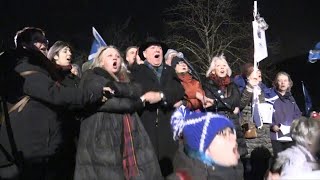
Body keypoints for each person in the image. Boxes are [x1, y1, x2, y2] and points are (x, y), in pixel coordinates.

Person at [0, 27, 105, 180]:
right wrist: (96, 92)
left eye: (45, 40)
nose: (44, 43)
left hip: (39, 152)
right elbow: (57, 94)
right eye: (37, 40)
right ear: (24, 45)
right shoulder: (23, 66)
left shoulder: (38, 67)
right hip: (29, 155)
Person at [74, 46, 162, 180]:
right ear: (101, 62)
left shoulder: (126, 80)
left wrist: (119, 90)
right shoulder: (91, 76)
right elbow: (109, 103)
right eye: (109, 56)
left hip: (129, 137)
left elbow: (136, 90)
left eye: (117, 56)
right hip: (102, 138)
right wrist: (137, 102)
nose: (115, 57)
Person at [131, 37, 185, 176]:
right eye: (153, 48)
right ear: (144, 54)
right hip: (147, 126)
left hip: (168, 127)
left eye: (159, 48)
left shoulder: (169, 71)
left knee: (171, 169)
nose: (157, 50)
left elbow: (179, 91)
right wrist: (167, 96)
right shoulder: (136, 72)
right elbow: (140, 92)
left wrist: (160, 96)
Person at [170, 105, 243, 180]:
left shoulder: (234, 167)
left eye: (231, 132)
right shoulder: (187, 174)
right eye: (222, 133)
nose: (233, 138)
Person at [47, 40, 81, 179]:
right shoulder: (52, 75)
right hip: (61, 131)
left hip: (77, 129)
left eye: (70, 51)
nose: (70, 54)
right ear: (55, 55)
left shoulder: (74, 76)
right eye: (65, 51)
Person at [203, 54, 248, 158]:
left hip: (233, 123)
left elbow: (236, 100)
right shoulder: (208, 85)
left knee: (237, 157)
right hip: (217, 123)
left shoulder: (233, 84)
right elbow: (208, 104)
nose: (222, 67)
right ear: (213, 70)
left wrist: (216, 102)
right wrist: (229, 106)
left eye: (224, 65)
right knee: (221, 157)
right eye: (219, 65)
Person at [270, 72, 302, 157]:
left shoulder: (291, 99)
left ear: (289, 83)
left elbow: (297, 114)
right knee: (277, 164)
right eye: (280, 81)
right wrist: (272, 126)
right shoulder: (271, 97)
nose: (283, 83)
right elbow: (266, 115)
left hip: (290, 137)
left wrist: (295, 125)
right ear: (276, 83)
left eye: (285, 80)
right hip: (276, 138)